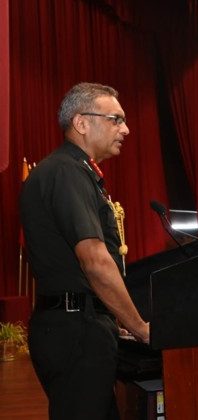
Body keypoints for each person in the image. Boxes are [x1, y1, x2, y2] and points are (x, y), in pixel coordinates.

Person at [20, 83, 150, 419]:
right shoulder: (67, 172)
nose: (126, 129)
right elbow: (94, 259)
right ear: (81, 123)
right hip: (75, 332)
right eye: (115, 119)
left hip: (76, 323)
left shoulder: (72, 171)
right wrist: (138, 325)